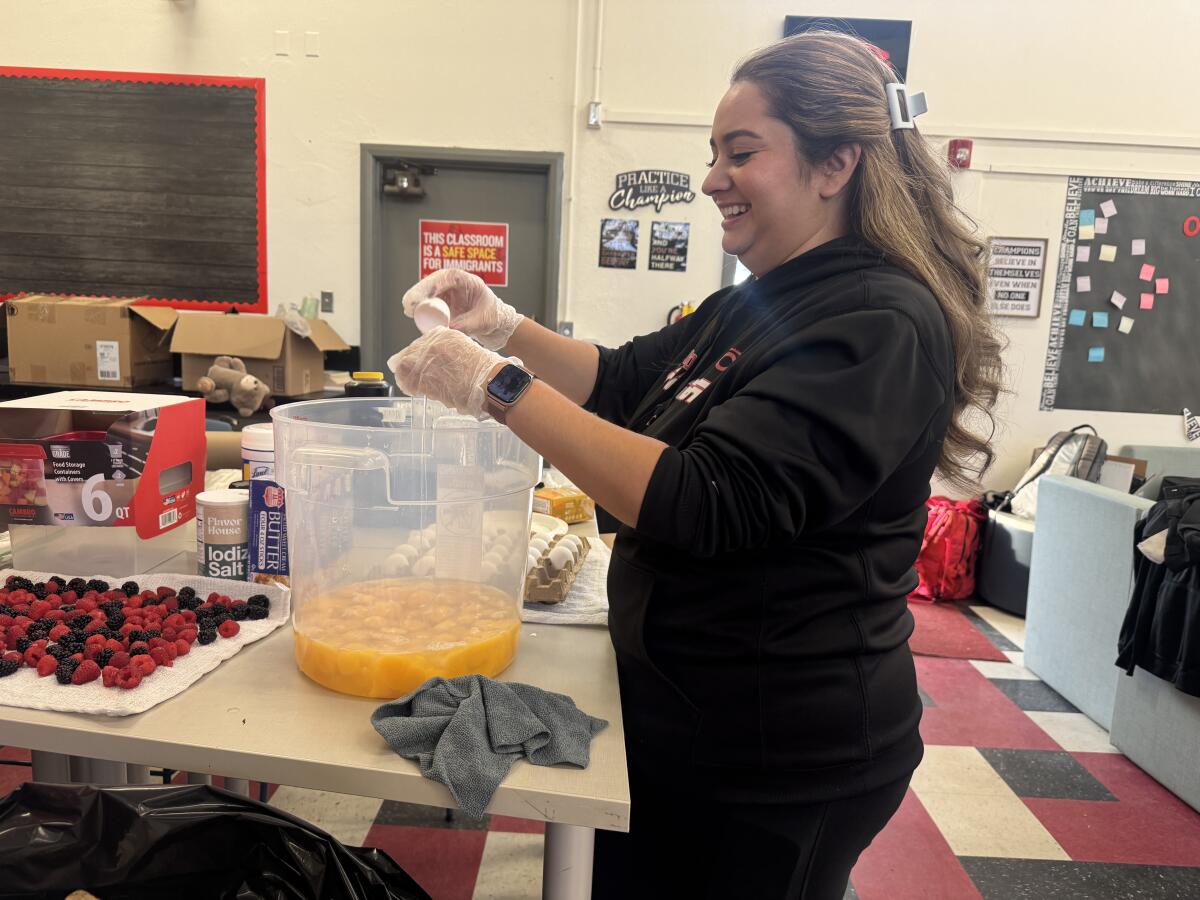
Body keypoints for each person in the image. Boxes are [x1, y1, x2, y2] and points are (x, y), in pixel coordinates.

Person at [390, 29, 1003, 900]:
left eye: (741, 153)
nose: (713, 178)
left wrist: (496, 387)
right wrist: (499, 327)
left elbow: (706, 499)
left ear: (837, 163)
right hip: (689, 716)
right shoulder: (757, 298)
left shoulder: (879, 318)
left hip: (778, 751)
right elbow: (626, 378)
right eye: (713, 154)